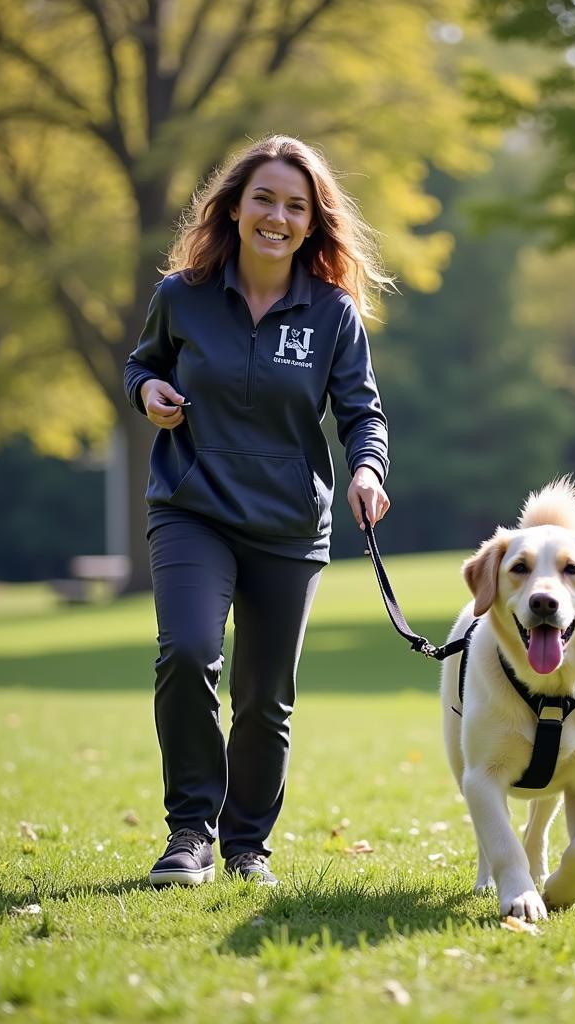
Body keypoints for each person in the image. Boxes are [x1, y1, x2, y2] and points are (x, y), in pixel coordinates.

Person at [123, 135, 392, 888]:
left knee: (265, 698)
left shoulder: (333, 313)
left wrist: (368, 470)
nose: (277, 216)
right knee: (186, 654)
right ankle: (188, 835)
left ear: (312, 223)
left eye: (295, 206)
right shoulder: (182, 295)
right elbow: (145, 362)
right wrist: (148, 392)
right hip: (192, 506)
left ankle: (246, 847)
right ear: (236, 207)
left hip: (288, 525)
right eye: (264, 199)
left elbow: (362, 413)